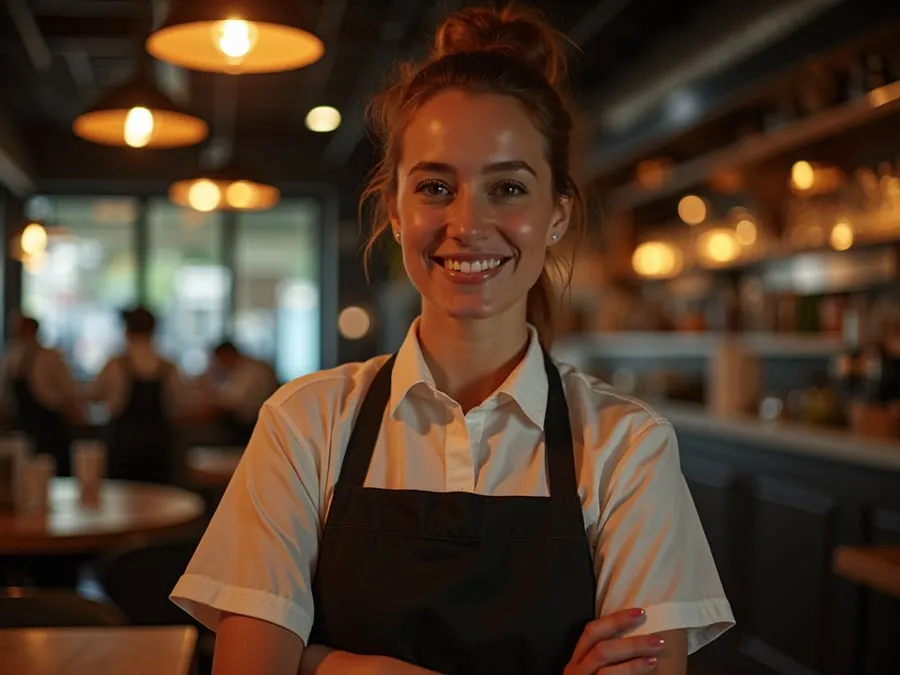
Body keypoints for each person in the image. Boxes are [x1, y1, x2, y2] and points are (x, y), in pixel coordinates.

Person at [170, 6, 735, 675]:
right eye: (436, 186)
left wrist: (321, 662)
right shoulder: (306, 424)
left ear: (557, 213)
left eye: (508, 188)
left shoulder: (627, 447)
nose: (468, 222)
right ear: (396, 209)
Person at [89, 307, 183, 483]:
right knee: (158, 496)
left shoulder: (115, 364)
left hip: (122, 443)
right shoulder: (168, 365)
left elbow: (95, 394)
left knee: (122, 496)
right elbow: (181, 404)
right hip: (158, 442)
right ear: (154, 329)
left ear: (126, 329)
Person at [0, 314, 78, 475]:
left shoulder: (50, 357)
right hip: (21, 425)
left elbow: (69, 390)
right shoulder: (11, 357)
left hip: (50, 425)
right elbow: (5, 393)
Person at [201, 341, 278, 446]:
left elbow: (234, 400)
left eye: (220, 360)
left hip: (252, 424)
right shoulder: (237, 369)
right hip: (245, 421)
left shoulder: (252, 370)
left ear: (227, 354)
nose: (219, 364)